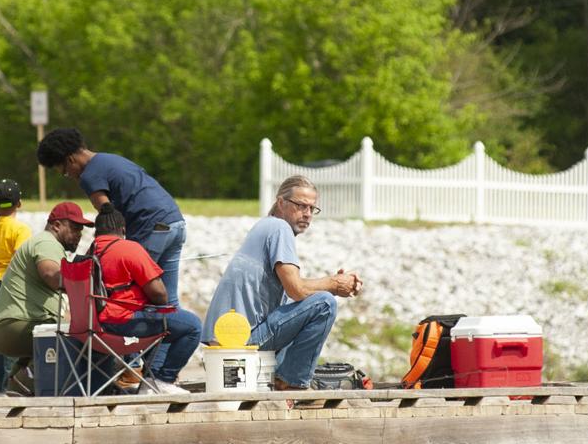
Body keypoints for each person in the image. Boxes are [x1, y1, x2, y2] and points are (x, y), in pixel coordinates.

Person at [201, 175, 362, 391]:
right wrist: (333, 284)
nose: (307, 213)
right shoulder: (279, 228)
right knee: (324, 304)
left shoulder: (265, 227)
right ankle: (292, 383)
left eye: (312, 208)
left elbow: (295, 299)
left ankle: (287, 377)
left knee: (313, 303)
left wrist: (335, 282)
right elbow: (297, 290)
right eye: (300, 205)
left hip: (225, 342)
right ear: (281, 203)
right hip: (238, 342)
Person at [36, 128, 186, 304]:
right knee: (169, 299)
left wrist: (89, 257)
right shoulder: (111, 159)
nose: (69, 176)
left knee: (134, 293)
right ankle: (180, 330)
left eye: (65, 172)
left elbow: (109, 219)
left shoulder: (89, 176)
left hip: (149, 226)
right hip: (175, 221)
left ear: (70, 160)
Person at [88, 204, 201, 393]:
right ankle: (163, 380)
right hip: (123, 322)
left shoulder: (91, 251)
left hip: (95, 326)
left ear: (97, 231)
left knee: (165, 322)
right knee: (192, 326)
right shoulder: (129, 248)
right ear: (123, 229)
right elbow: (160, 294)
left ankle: (150, 382)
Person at [0, 201, 91, 392]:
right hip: (15, 326)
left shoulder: (44, 242)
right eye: (74, 228)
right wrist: (87, 286)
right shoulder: (47, 242)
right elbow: (51, 274)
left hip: (7, 326)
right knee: (82, 339)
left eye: (81, 229)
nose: (79, 234)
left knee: (53, 327)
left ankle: (19, 382)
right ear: (57, 225)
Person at [0, 179, 32, 395]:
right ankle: (9, 385)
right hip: (12, 284)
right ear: (19, 203)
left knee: (0, 336)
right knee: (13, 336)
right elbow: (21, 262)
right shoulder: (21, 229)